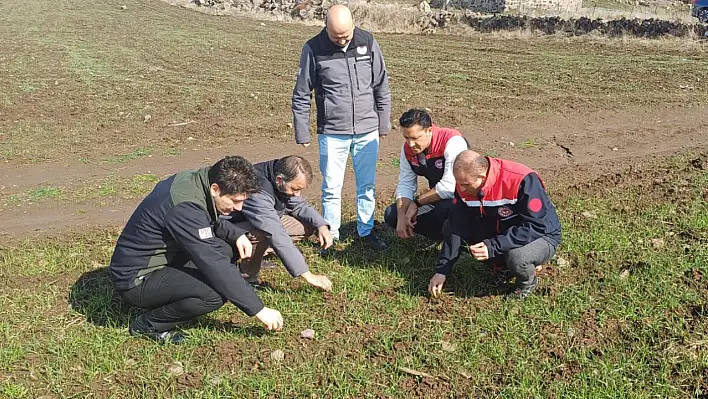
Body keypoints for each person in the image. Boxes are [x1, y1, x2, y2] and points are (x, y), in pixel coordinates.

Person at [108, 156, 284, 344]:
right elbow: (214, 264)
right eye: (235, 201)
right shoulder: (185, 207)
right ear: (216, 189)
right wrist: (258, 309)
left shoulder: (200, 180)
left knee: (226, 249)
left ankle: (174, 298)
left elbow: (209, 220)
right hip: (136, 279)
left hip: (162, 259)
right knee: (215, 293)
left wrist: (236, 235)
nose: (239, 208)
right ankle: (148, 324)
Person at [291, 4, 391, 250]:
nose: (342, 39)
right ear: (326, 27)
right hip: (332, 132)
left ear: (353, 25)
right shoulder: (313, 48)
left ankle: (366, 231)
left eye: (346, 34)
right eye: (336, 35)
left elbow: (381, 84)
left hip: (367, 129)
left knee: (366, 185)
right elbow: (302, 93)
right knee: (331, 187)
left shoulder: (367, 42)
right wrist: (302, 131)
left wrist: (383, 122)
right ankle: (331, 235)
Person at [429, 151, 562, 300]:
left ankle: (526, 282)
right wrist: (442, 270)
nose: (462, 189)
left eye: (466, 184)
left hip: (542, 235)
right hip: (502, 229)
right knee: (450, 226)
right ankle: (505, 267)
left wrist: (493, 246)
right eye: (459, 184)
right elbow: (456, 225)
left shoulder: (521, 180)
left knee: (517, 257)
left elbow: (537, 225)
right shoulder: (465, 184)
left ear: (482, 177)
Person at [230, 156, 334, 290]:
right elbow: (275, 233)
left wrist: (321, 226)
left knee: (307, 226)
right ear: (279, 180)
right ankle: (248, 278)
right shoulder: (257, 190)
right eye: (295, 189)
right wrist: (308, 275)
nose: (297, 194)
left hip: (266, 220)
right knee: (262, 233)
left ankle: (260, 253)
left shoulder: (279, 174)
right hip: (232, 227)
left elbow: (299, 206)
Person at [384, 108, 468, 241]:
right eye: (406, 138)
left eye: (415, 138)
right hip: (437, 198)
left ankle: (461, 242)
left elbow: (449, 187)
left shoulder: (452, 141)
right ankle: (439, 238)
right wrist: (401, 217)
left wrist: (416, 203)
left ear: (429, 130)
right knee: (392, 214)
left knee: (445, 209)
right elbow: (406, 184)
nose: (410, 144)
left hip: (462, 200)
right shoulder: (407, 149)